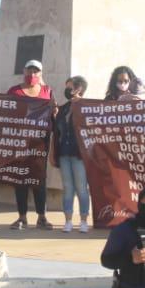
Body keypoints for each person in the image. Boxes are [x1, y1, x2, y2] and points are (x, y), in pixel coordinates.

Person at [8, 60, 53, 230]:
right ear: (24, 70)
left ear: (41, 73)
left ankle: (42, 217)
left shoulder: (47, 91)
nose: (32, 74)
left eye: (36, 71)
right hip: (19, 144)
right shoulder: (15, 91)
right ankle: (22, 217)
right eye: (29, 70)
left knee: (39, 181)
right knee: (20, 180)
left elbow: (52, 113)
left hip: (40, 145)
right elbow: (5, 112)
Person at [53, 76, 90, 232]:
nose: (67, 90)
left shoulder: (86, 107)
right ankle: (68, 220)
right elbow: (57, 132)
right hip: (64, 153)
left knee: (82, 188)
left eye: (70, 87)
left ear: (78, 88)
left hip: (79, 155)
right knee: (68, 187)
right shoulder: (63, 108)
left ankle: (83, 220)